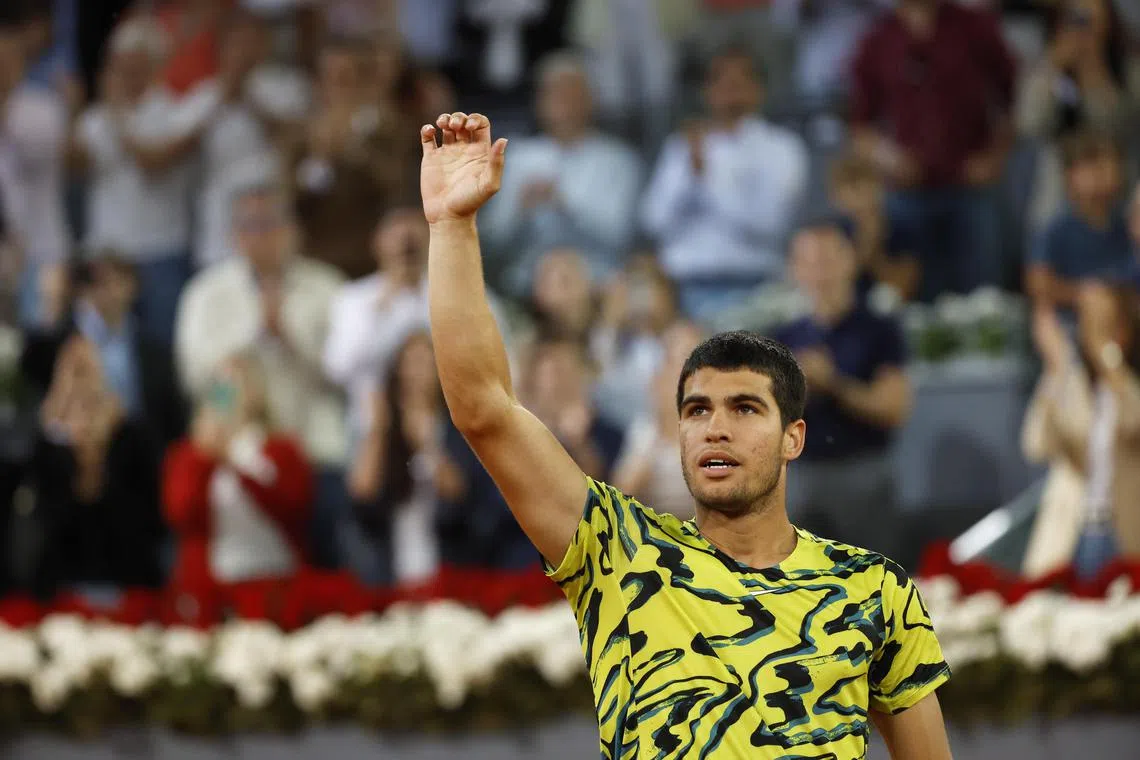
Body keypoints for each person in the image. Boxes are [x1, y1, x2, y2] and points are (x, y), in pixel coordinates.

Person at [420, 112, 953, 759]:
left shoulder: (876, 591)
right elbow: (484, 409)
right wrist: (452, 227)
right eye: (697, 410)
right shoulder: (619, 554)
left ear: (794, 437)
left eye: (746, 408)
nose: (716, 427)